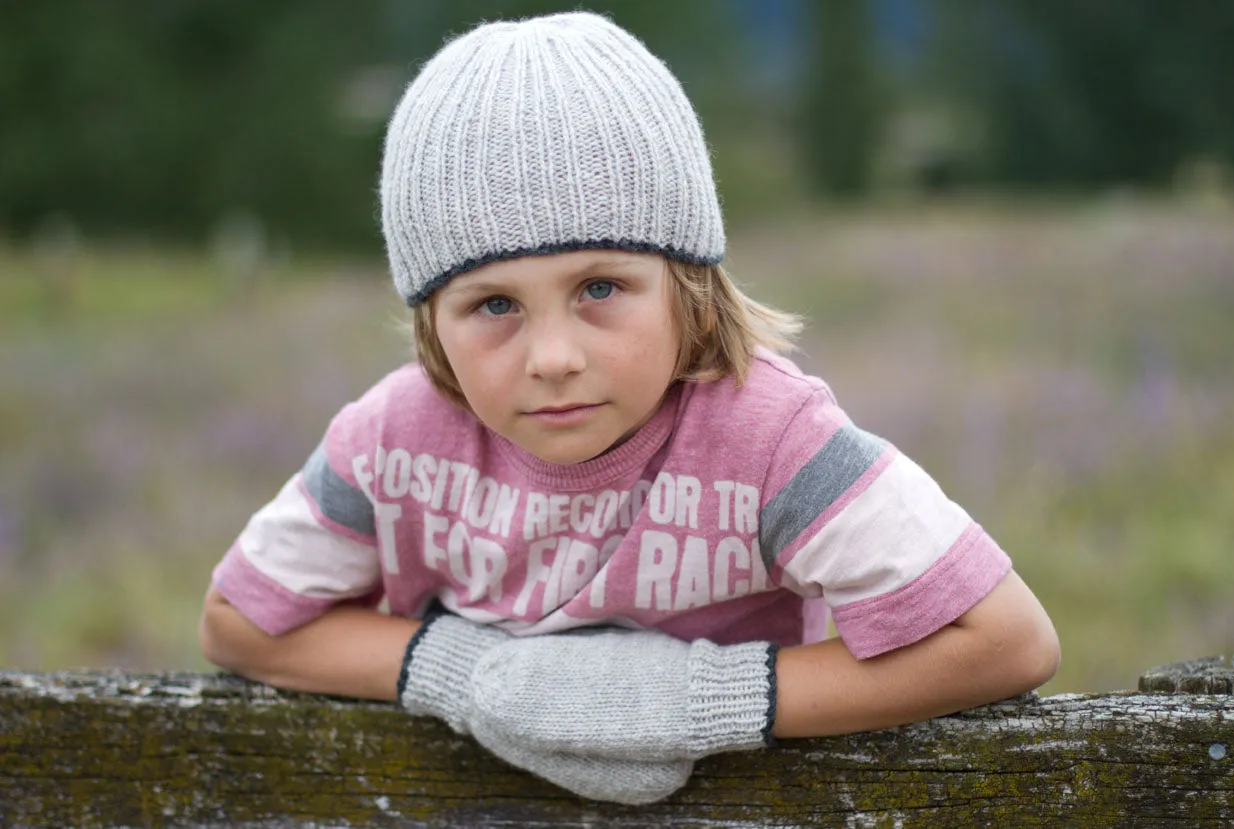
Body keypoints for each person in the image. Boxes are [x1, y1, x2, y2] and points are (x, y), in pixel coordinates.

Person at [199, 11, 1060, 805]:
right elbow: (238, 622)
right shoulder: (395, 439)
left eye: (600, 287)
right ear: (431, 318)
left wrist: (692, 700)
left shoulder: (769, 437)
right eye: (493, 305)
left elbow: (1008, 638)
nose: (554, 358)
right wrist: (466, 674)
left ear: (687, 281)